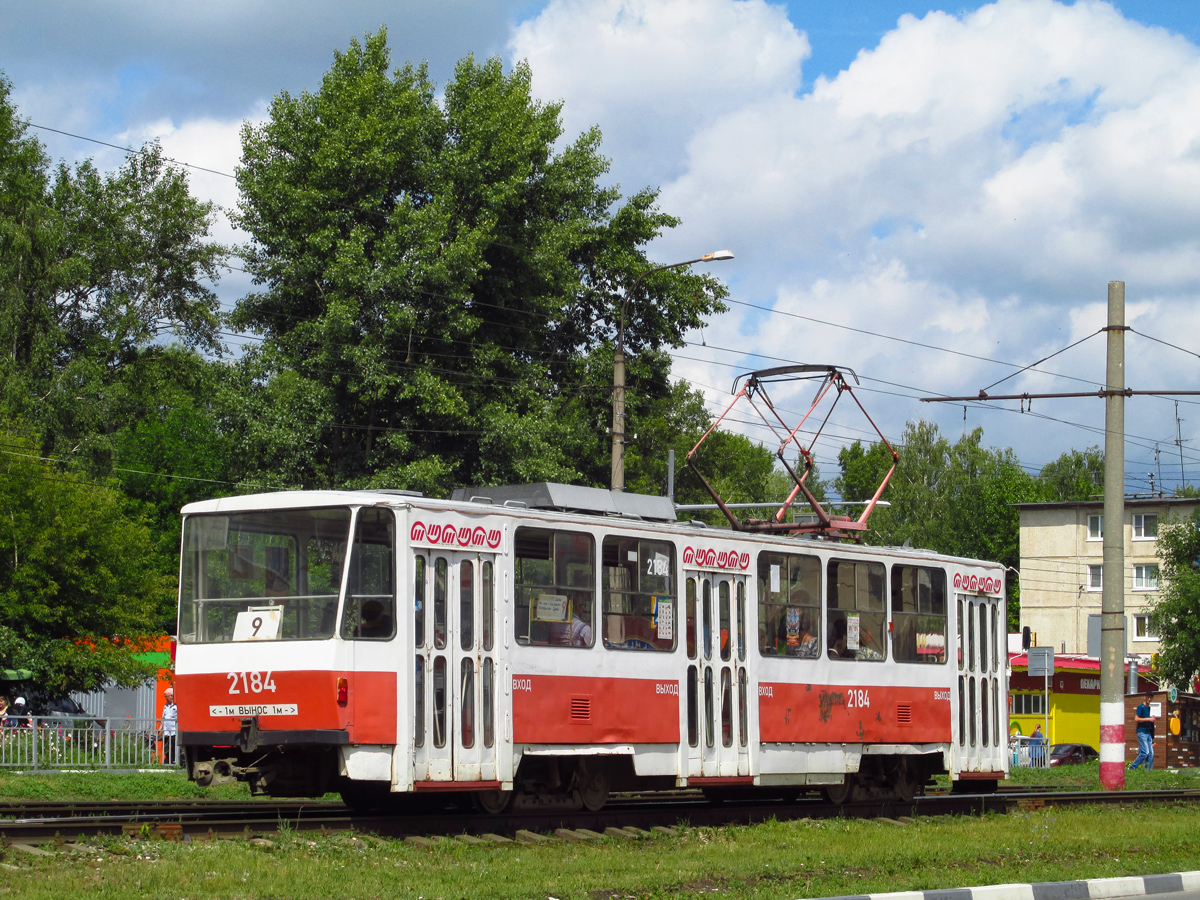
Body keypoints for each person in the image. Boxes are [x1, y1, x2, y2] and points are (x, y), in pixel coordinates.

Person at [1129, 691, 1156, 770]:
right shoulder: (1141, 707)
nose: (1149, 699)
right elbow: (1136, 719)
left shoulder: (1149, 707)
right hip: (1141, 732)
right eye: (1148, 697)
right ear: (1145, 697)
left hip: (1148, 732)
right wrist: (1149, 719)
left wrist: (1151, 718)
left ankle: (1148, 771)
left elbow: (1146, 718)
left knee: (1151, 753)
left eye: (1151, 697)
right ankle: (1132, 767)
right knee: (1145, 752)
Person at [160, 687, 178, 766]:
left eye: (172, 695)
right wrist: (160, 728)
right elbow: (163, 718)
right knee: (166, 747)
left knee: (174, 747)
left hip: (174, 731)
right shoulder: (165, 706)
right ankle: (168, 760)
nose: (171, 697)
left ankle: (174, 761)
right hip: (166, 731)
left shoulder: (176, 705)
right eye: (170, 696)